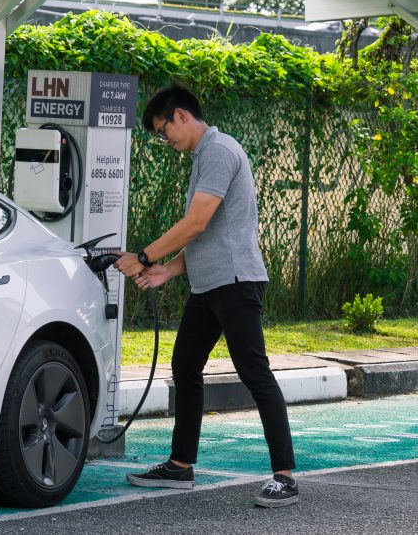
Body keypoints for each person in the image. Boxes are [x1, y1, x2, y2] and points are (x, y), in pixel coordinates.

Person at [114, 84, 298, 508]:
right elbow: (209, 232)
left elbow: (196, 223)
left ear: (181, 116)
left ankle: (284, 476)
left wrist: (143, 256)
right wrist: (169, 270)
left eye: (163, 131)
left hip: (235, 282)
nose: (166, 141)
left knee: (254, 371)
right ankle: (180, 466)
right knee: (185, 365)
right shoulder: (203, 156)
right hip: (209, 283)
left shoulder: (218, 151)